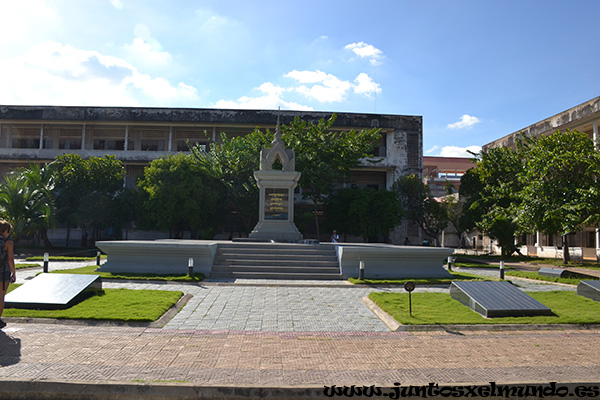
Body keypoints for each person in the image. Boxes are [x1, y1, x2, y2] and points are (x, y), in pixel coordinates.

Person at [0, 220, 15, 329]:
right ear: (6, 231)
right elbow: (10, 259)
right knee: (1, 296)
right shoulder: (8, 243)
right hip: (3, 272)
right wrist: (14, 273)